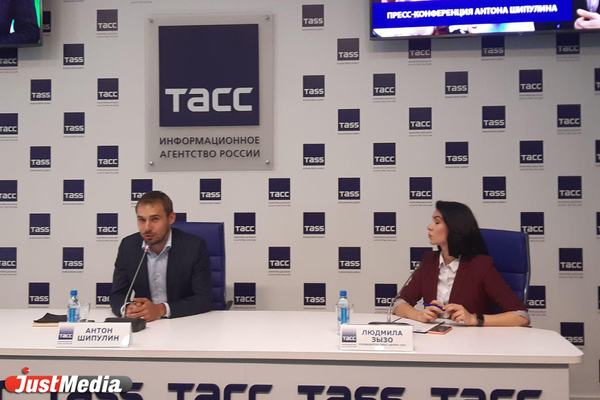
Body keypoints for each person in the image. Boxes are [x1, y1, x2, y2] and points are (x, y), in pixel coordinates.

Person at [394, 201, 529, 327]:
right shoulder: (429, 261)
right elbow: (399, 304)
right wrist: (418, 315)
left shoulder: (480, 265)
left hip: (471, 340)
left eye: (437, 222)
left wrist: (475, 319)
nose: (429, 227)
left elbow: (521, 316)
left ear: (454, 228)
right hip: (434, 338)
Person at [110, 191, 212, 321]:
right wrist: (127, 308)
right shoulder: (128, 246)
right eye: (142, 220)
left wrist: (161, 310)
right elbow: (117, 295)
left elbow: (204, 299)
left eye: (154, 219)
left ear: (171, 218)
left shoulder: (194, 246)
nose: (147, 227)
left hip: (184, 322)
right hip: (145, 324)